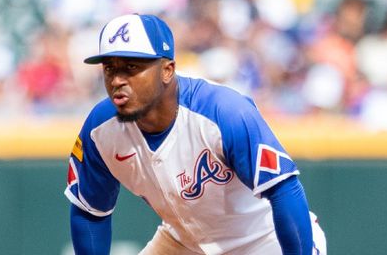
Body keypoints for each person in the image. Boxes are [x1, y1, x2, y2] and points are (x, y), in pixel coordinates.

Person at [65, 13, 327, 254]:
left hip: (263, 240)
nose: (117, 80)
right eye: (110, 68)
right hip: (183, 242)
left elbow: (284, 190)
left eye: (132, 68)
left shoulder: (223, 112)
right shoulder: (100, 130)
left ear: (167, 70)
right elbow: (90, 212)